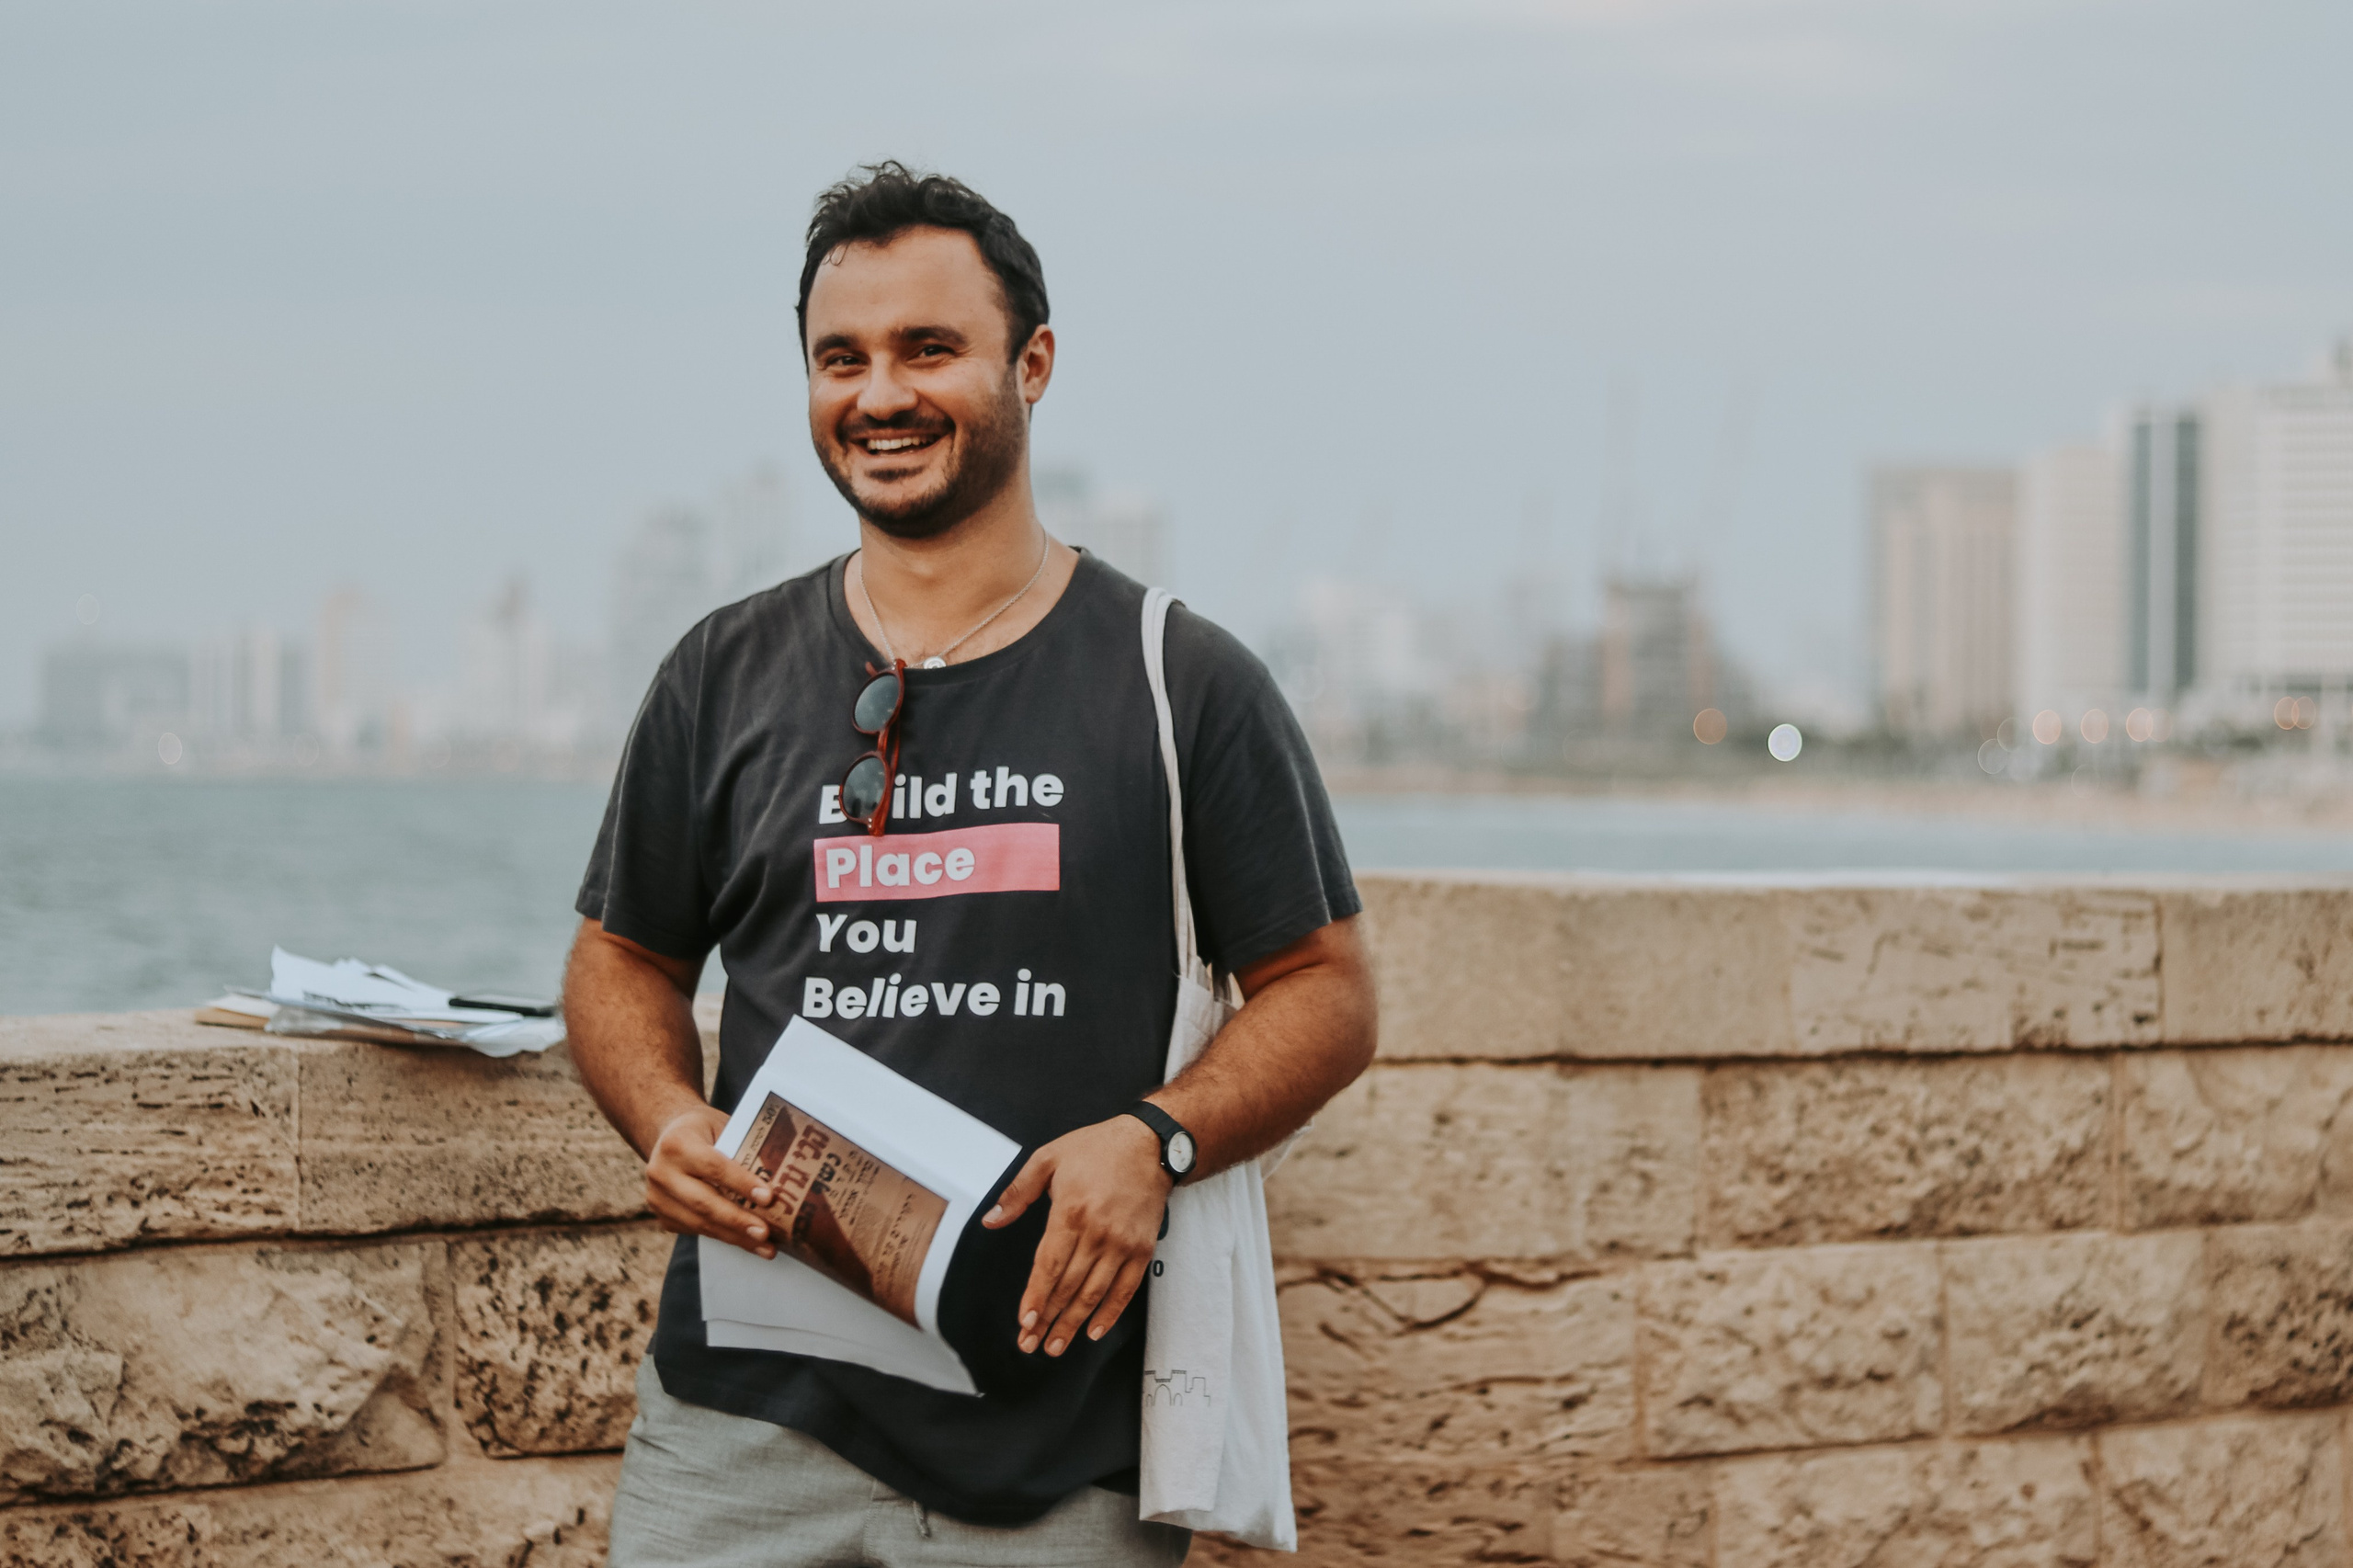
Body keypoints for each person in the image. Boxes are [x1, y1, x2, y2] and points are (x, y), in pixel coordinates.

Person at [566, 162, 1377, 1567]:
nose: (881, 394)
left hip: (1054, 1435)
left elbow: (1326, 990)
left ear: (1034, 364)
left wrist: (1156, 1137)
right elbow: (620, 960)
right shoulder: (722, 670)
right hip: (743, 1415)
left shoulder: (1179, 678)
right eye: (843, 358)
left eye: (928, 349)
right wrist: (668, 1119)